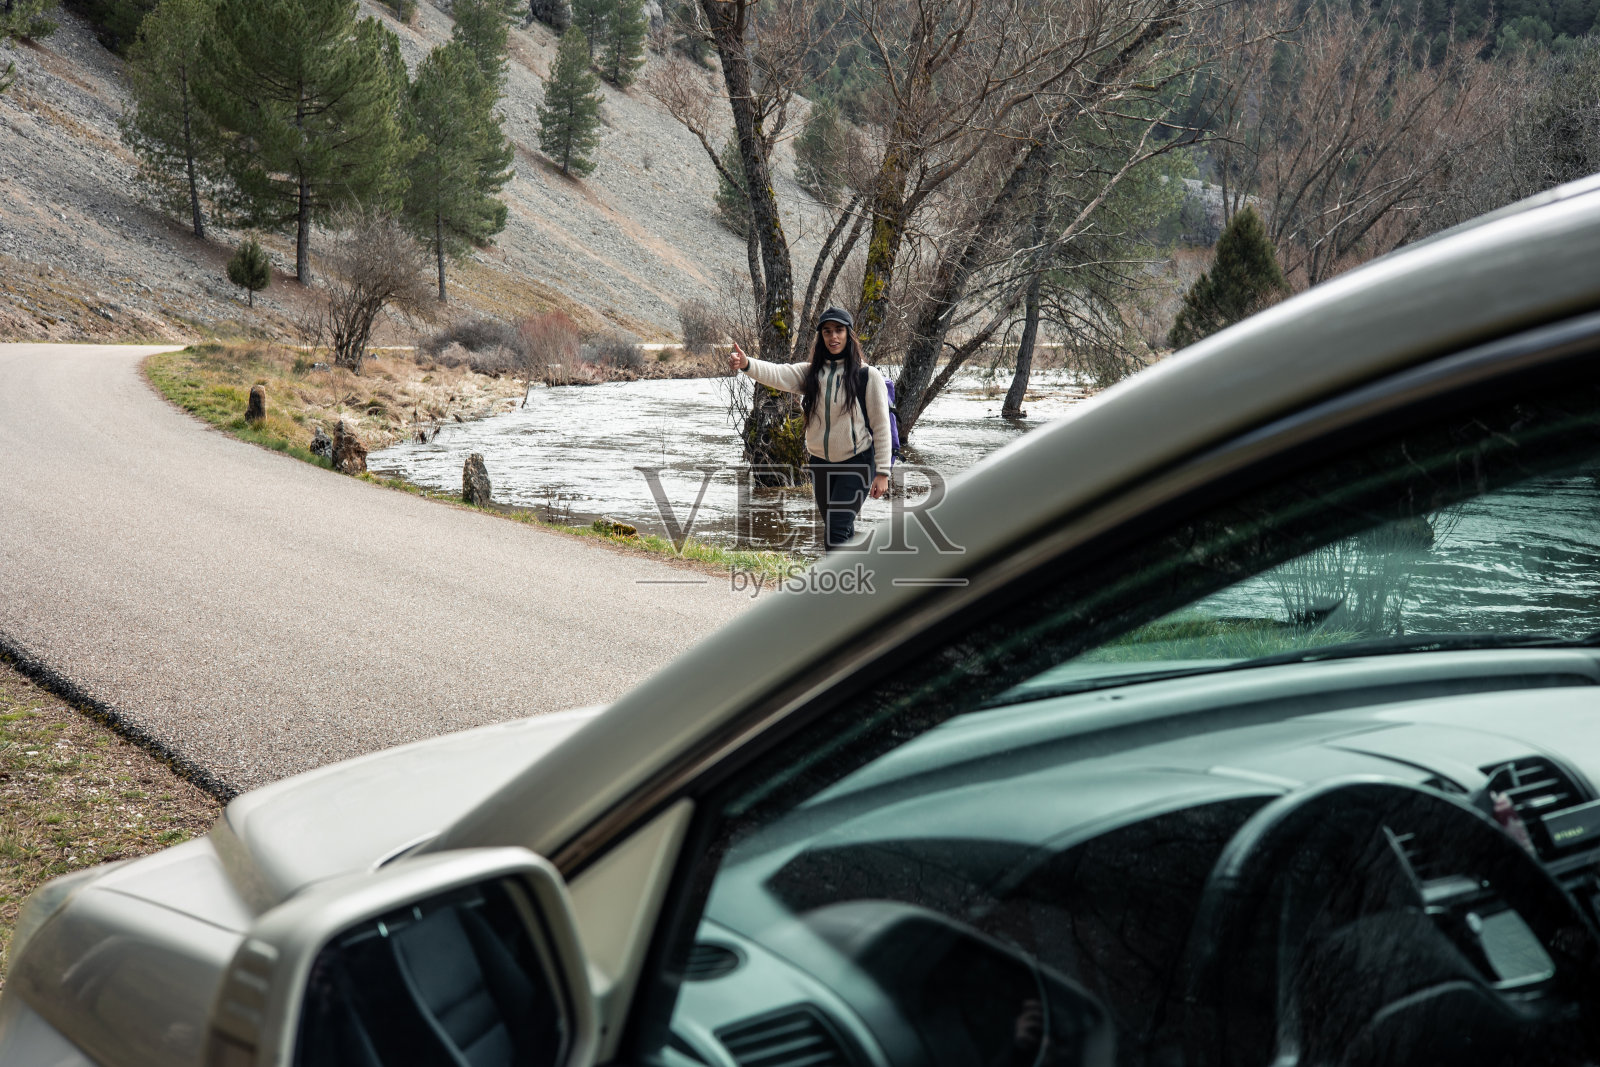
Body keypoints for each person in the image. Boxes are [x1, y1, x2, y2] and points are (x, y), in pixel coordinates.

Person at [728, 307, 892, 551]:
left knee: (835, 532)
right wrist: (746, 364)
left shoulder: (867, 376)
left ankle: (836, 586)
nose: (833, 337)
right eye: (827, 332)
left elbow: (881, 426)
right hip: (821, 463)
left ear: (848, 335)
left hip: (857, 462)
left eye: (838, 331)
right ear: (821, 337)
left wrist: (883, 472)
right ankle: (856, 579)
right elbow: (778, 373)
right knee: (840, 529)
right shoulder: (811, 373)